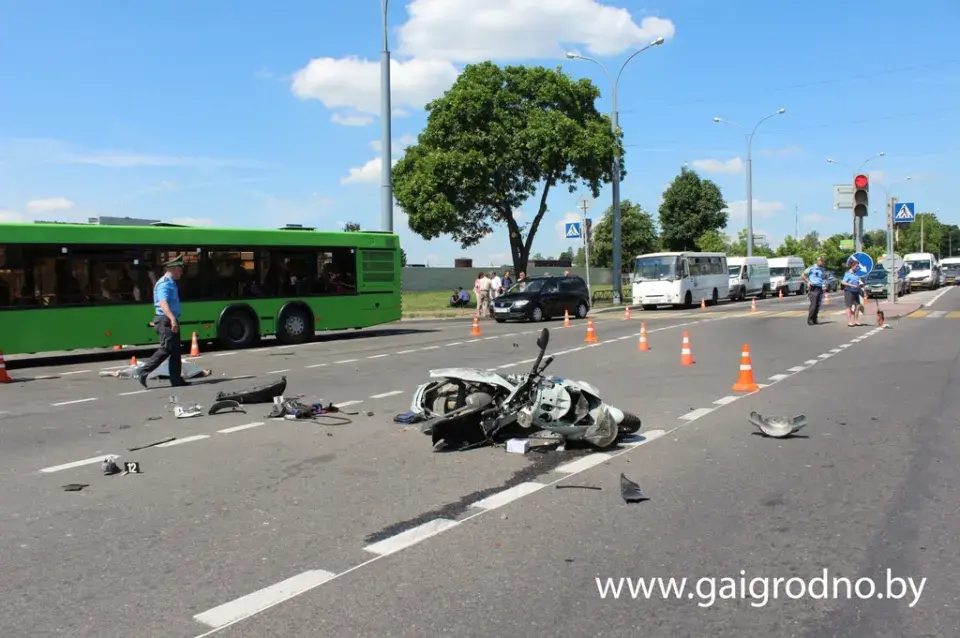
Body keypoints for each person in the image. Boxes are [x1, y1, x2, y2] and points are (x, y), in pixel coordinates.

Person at [138, 255, 189, 388]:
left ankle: (176, 379)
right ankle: (143, 371)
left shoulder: (171, 283)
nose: (181, 273)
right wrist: (172, 319)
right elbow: (163, 303)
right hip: (165, 320)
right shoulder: (164, 283)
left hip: (170, 318)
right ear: (173, 269)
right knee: (166, 348)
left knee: (176, 350)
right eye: (180, 270)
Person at [801, 255, 826, 325]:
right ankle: (810, 319)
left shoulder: (822, 269)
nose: (822, 263)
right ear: (818, 261)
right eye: (821, 261)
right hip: (813, 287)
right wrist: (808, 281)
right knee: (813, 305)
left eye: (823, 262)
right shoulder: (812, 268)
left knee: (818, 305)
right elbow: (803, 275)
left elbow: (822, 278)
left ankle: (815, 319)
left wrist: (824, 285)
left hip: (820, 287)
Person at [840, 257, 864, 327]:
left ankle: (856, 320)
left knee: (858, 305)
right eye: (856, 266)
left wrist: (860, 284)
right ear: (852, 266)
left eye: (858, 266)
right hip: (849, 291)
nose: (857, 267)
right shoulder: (848, 273)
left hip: (856, 291)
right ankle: (849, 322)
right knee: (849, 306)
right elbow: (843, 282)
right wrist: (852, 285)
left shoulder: (856, 273)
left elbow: (858, 280)